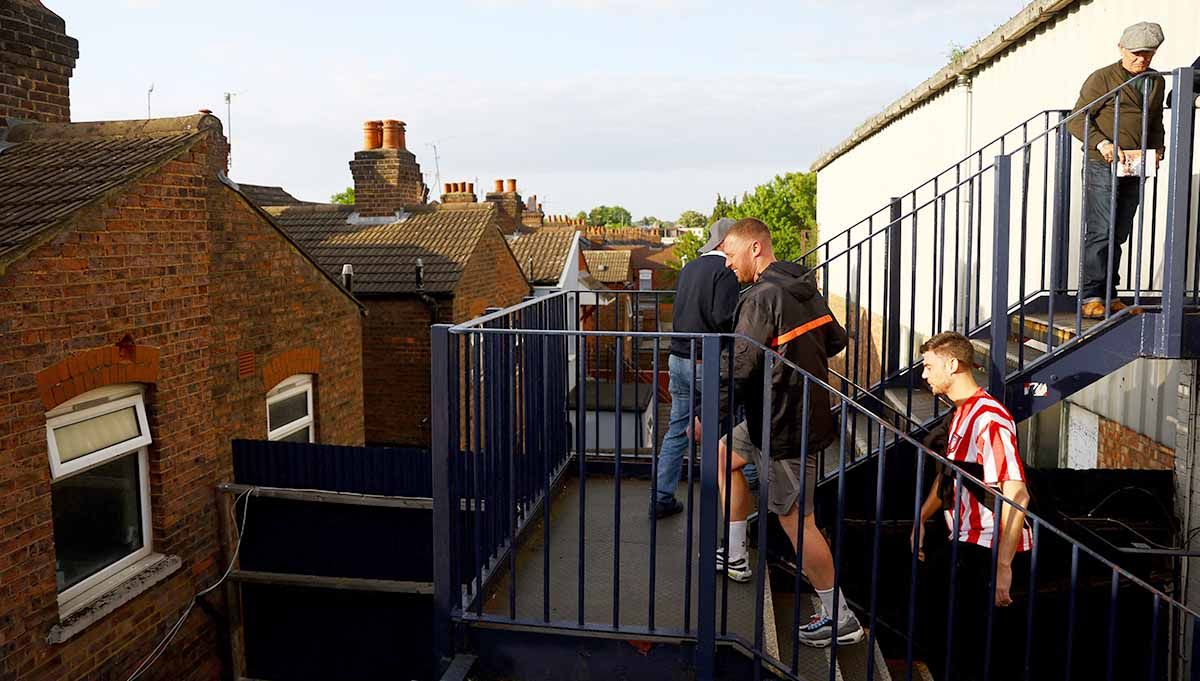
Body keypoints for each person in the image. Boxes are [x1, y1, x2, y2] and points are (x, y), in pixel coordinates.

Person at [713, 217, 863, 647]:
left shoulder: (761, 297)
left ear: (756, 248)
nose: (727, 264)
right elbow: (835, 340)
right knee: (726, 456)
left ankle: (840, 617)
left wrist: (712, 410)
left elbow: (740, 366)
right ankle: (737, 554)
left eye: (731, 254)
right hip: (777, 415)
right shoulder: (803, 286)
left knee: (797, 521)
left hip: (784, 424)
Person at [912, 332, 1032, 681]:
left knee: (977, 652)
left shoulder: (988, 417)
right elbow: (953, 473)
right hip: (964, 543)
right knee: (949, 640)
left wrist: (1003, 565)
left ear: (952, 365)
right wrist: (921, 518)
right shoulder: (963, 412)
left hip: (988, 550)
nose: (924, 375)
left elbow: (1017, 492)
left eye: (929, 366)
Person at [1066, 21, 1166, 319]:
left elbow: (1156, 120)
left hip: (1136, 163)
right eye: (1136, 53)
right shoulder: (1103, 78)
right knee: (1101, 230)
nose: (1142, 59)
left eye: (1148, 53)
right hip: (1103, 163)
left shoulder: (1156, 81)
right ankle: (1090, 295)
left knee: (1119, 231)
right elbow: (1076, 119)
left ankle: (1110, 295)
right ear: (1120, 48)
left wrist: (1158, 148)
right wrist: (1101, 143)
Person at [651, 218, 739, 519]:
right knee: (725, 427)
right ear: (726, 243)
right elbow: (723, 318)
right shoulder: (725, 272)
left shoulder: (690, 267)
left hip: (677, 358)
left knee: (678, 429)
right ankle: (727, 497)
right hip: (707, 362)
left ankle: (662, 496)